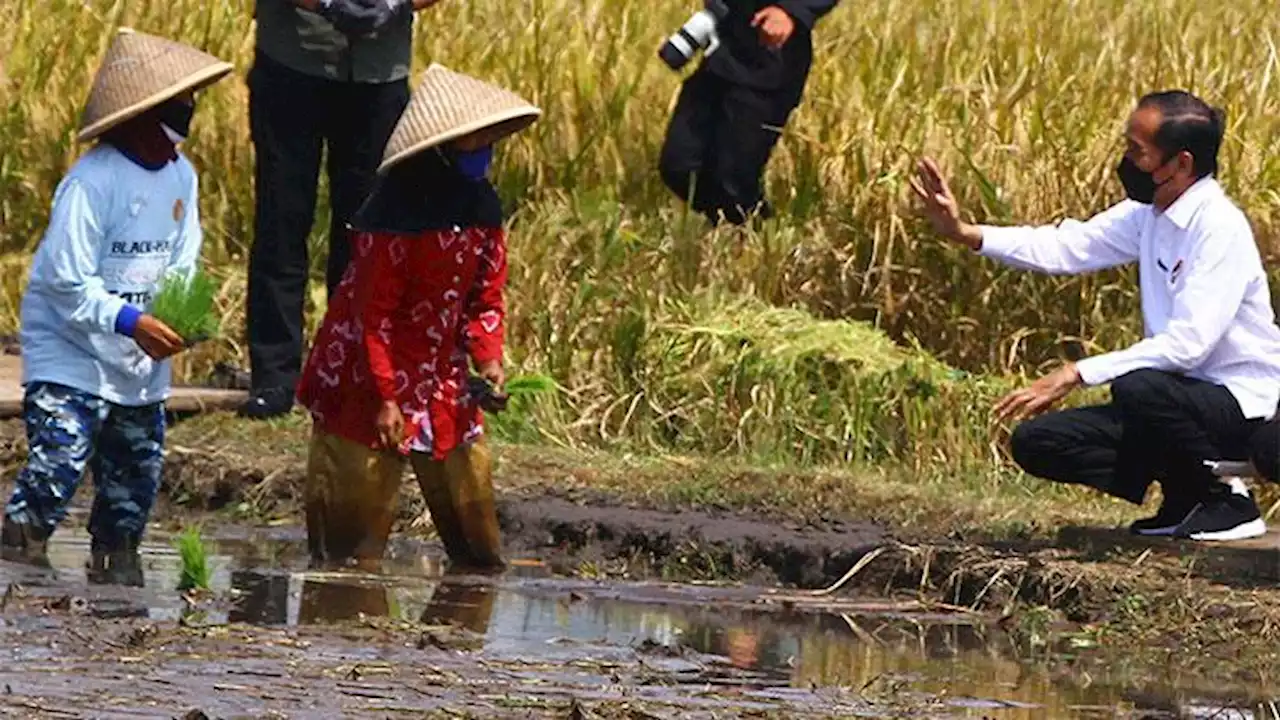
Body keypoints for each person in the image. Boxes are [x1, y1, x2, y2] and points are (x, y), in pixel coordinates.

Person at [910, 89, 1280, 542]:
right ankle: (1184, 493)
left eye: (1136, 151)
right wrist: (965, 233)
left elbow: (1188, 345)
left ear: (1181, 164)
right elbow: (1067, 246)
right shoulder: (1149, 214)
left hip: (1238, 403)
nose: (1125, 161)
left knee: (1137, 385)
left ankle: (1227, 502)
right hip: (1175, 401)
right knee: (1038, 442)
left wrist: (1075, 373)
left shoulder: (1217, 228)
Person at [0, 28, 234, 581]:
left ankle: (113, 603)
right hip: (71, 352)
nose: (189, 116)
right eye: (178, 107)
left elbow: (183, 260)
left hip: (138, 361)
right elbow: (63, 281)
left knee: (131, 494)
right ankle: (13, 569)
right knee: (55, 472)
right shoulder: (92, 183)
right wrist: (129, 320)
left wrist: (179, 319)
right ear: (140, 114)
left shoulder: (181, 177)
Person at [294, 63, 540, 572]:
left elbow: (485, 297)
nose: (487, 150)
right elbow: (374, 315)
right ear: (445, 147)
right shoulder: (394, 217)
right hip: (369, 368)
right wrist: (386, 396)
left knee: (476, 535)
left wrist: (488, 359)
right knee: (348, 548)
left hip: (440, 370)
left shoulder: (482, 206)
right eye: (477, 141)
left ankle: (463, 639)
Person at [240, 0, 444, 420]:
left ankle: (352, 370)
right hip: (293, 61)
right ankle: (275, 377)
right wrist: (329, 5)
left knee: (365, 232)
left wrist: (394, 4)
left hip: (379, 71)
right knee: (282, 220)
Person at [657, 0, 840, 226]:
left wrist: (790, 12)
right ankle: (731, 223)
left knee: (733, 179)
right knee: (678, 164)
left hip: (769, 67)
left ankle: (755, 234)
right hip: (722, 51)